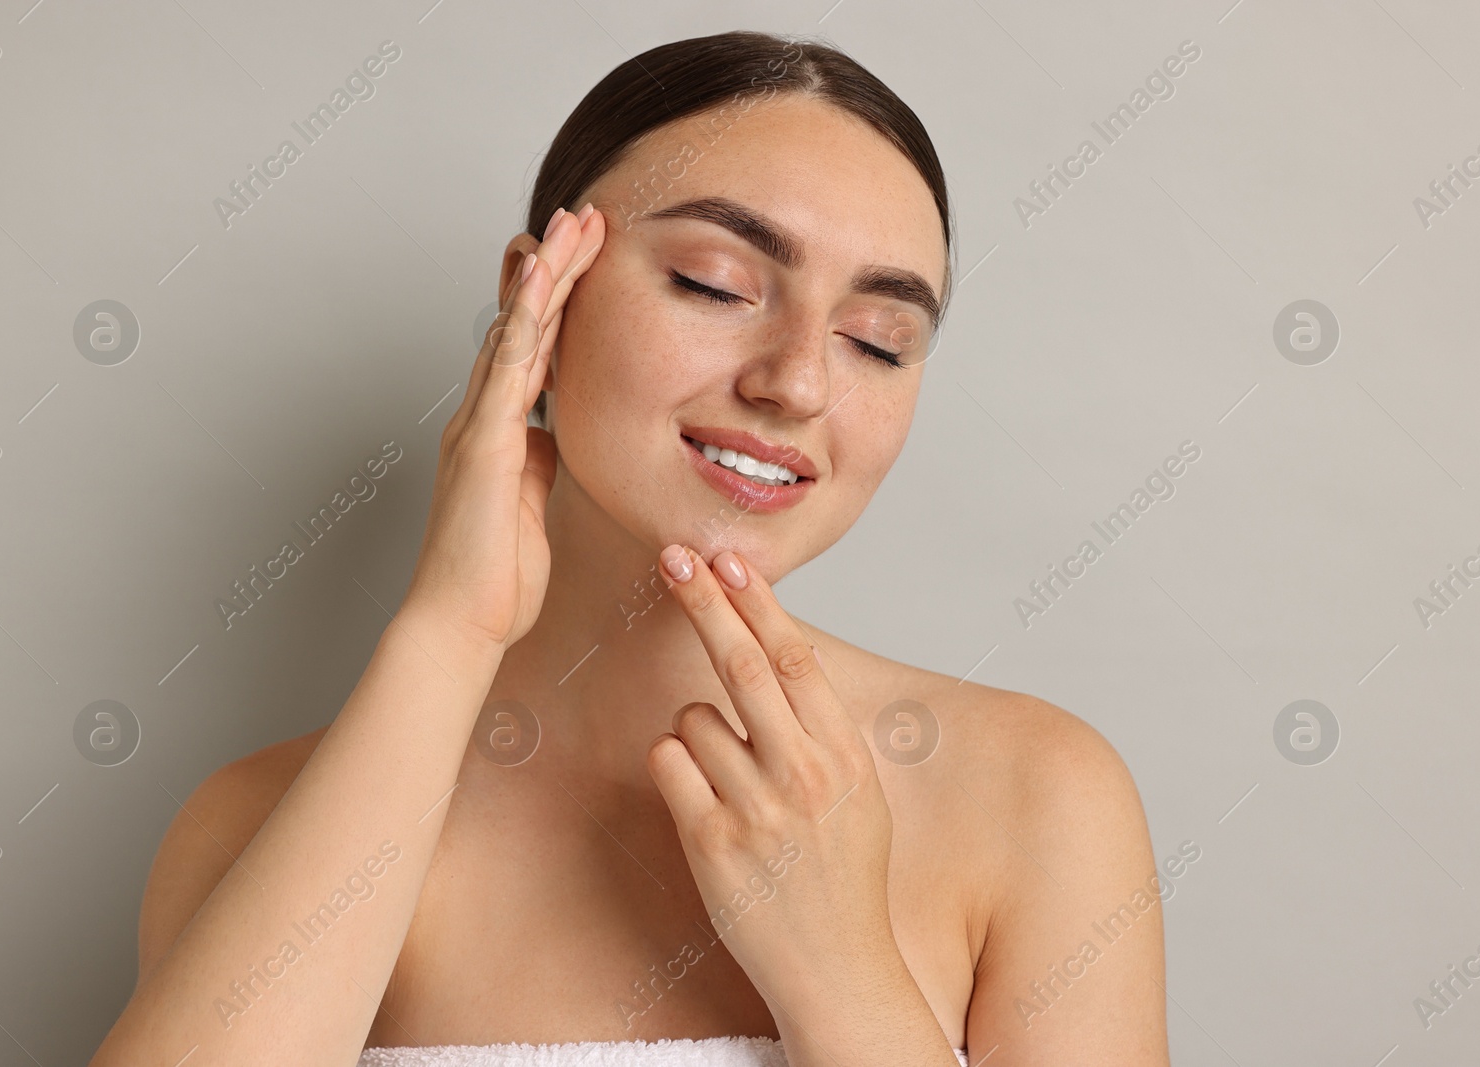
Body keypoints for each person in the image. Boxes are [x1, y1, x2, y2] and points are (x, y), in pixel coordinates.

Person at [91, 29, 1169, 1067]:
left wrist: (844, 973)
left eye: (877, 341)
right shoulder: (253, 822)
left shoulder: (1035, 795)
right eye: (715, 284)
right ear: (538, 299)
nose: (797, 382)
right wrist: (447, 635)